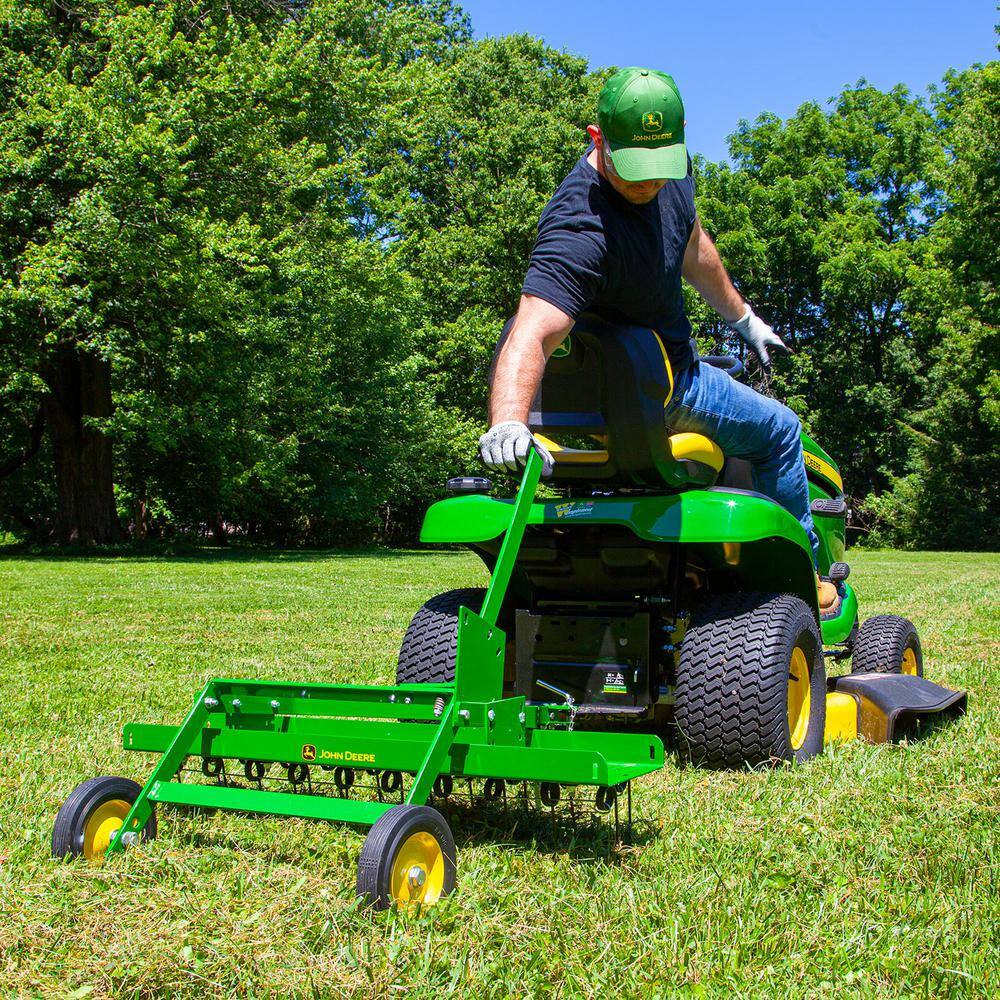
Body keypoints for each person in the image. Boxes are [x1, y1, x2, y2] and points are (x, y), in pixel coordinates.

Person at [479, 66, 840, 615]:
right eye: (634, 169)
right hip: (668, 388)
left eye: (660, 166)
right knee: (781, 431)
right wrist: (508, 421)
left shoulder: (672, 170)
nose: (649, 183)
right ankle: (806, 576)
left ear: (679, 138)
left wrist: (745, 320)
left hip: (646, 383)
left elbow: (691, 243)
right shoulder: (580, 228)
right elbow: (531, 330)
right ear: (597, 138)